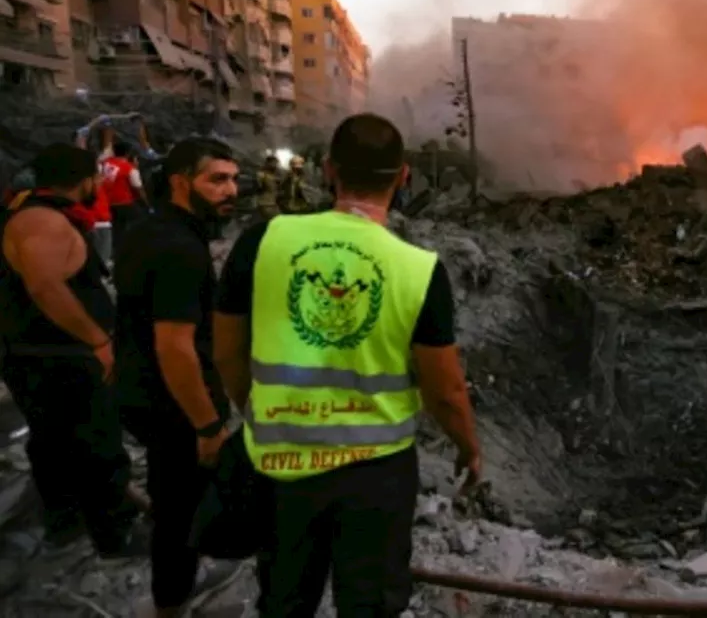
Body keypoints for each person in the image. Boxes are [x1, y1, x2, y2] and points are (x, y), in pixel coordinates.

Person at [213, 113, 481, 617]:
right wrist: (468, 448)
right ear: (404, 177)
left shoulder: (261, 241)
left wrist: (256, 406)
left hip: (281, 461)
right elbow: (444, 389)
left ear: (328, 170)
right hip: (376, 474)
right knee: (370, 605)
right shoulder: (419, 269)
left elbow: (226, 349)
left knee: (285, 598)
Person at [114, 138, 243, 617]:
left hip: (144, 393)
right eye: (217, 179)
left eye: (233, 179)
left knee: (178, 501)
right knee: (177, 509)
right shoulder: (179, 250)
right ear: (179, 182)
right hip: (174, 407)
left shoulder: (150, 230)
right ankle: (172, 601)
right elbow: (175, 347)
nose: (231, 190)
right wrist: (208, 426)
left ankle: (180, 579)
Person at [0, 143, 147, 559]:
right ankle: (114, 533)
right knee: (96, 443)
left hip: (42, 354)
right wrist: (96, 340)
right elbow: (45, 286)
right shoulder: (41, 221)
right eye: (96, 178)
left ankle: (66, 521)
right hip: (61, 357)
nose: (99, 184)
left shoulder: (36, 214)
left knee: (54, 442)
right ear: (84, 179)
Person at [101, 142, 149, 259]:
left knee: (117, 230)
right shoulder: (129, 168)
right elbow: (138, 188)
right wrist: (148, 204)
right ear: (128, 153)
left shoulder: (104, 163)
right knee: (144, 220)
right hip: (124, 204)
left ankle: (114, 253)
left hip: (107, 204)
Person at [256, 154, 282, 222]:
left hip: (273, 204)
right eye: (273, 163)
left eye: (276, 163)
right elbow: (258, 188)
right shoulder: (262, 174)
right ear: (268, 163)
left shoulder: (274, 176)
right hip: (265, 204)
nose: (275, 165)